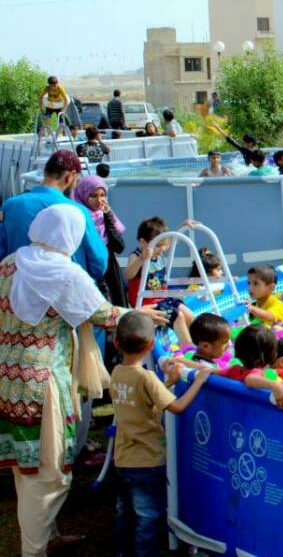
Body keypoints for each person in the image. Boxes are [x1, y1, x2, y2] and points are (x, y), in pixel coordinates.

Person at [0, 204, 166, 557]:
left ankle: (46, 535)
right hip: (42, 383)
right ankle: (34, 551)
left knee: (25, 468)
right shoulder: (62, 272)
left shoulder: (11, 262)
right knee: (49, 474)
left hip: (8, 378)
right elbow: (104, 314)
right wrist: (140, 313)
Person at [110, 313, 210, 557]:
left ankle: (122, 551)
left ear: (116, 343)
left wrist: (169, 382)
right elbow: (176, 407)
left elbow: (141, 402)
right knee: (148, 516)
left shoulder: (117, 373)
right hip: (147, 460)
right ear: (151, 345)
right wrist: (200, 380)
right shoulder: (146, 377)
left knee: (124, 512)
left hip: (122, 459)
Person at [0, 150, 107, 278]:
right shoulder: (78, 212)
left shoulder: (11, 206)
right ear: (70, 176)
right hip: (65, 291)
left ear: (45, 172)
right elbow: (99, 264)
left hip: (19, 290)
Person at [124, 216, 197, 345]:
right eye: (158, 245)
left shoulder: (159, 252)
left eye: (164, 245)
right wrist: (141, 259)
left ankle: (200, 345)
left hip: (163, 299)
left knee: (190, 315)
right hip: (148, 304)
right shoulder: (136, 256)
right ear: (143, 242)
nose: (161, 249)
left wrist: (182, 227)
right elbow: (129, 274)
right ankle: (189, 350)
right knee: (178, 317)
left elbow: (173, 240)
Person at [72, 174, 128, 308]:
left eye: (102, 195)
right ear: (83, 195)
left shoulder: (105, 215)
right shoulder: (78, 216)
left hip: (110, 270)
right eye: (93, 196)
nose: (99, 200)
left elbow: (119, 247)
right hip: (88, 269)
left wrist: (108, 217)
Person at [215, 324, 283, 409]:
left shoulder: (234, 369)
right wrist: (275, 385)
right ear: (270, 354)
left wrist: (200, 366)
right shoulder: (255, 373)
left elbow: (214, 371)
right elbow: (250, 379)